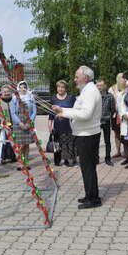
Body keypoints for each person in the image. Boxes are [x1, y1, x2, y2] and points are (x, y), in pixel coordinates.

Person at [52, 66, 102, 209]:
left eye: (76, 76)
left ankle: (93, 199)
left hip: (88, 135)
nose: (74, 79)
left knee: (88, 168)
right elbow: (78, 110)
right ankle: (90, 195)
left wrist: (65, 114)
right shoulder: (86, 90)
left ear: (85, 78)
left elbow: (86, 114)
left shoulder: (90, 91)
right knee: (86, 167)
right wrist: (62, 110)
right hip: (84, 134)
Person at [48, 80, 76, 167]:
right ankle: (57, 160)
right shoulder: (53, 98)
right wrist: (50, 125)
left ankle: (67, 160)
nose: (60, 89)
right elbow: (51, 113)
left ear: (65, 88)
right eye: (59, 87)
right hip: (57, 124)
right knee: (57, 143)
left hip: (68, 124)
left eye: (62, 87)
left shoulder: (71, 97)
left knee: (67, 142)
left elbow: (75, 110)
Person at [0, 85, 18, 165]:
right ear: (2, 93)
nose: (6, 93)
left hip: (13, 124)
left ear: (11, 92)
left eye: (8, 91)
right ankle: (3, 157)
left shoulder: (14, 100)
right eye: (4, 92)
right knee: (4, 141)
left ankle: (13, 156)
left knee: (14, 140)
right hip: (4, 124)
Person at [97, 79, 115, 166]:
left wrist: (108, 117)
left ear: (105, 86)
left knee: (107, 141)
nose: (99, 87)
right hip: (96, 122)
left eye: (101, 85)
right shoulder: (94, 96)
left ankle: (108, 158)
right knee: (95, 141)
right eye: (98, 85)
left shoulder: (110, 96)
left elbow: (113, 109)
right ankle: (96, 158)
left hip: (106, 121)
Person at [108, 73, 126, 159]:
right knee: (116, 133)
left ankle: (127, 152)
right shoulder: (112, 89)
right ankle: (118, 151)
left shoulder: (127, 87)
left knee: (125, 133)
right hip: (115, 114)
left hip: (124, 114)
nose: (124, 79)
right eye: (123, 78)